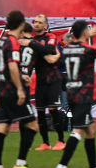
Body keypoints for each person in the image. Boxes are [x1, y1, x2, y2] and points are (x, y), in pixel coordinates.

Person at [52, 20, 96, 168]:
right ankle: (61, 166)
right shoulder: (88, 50)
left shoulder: (67, 49)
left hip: (71, 92)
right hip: (83, 94)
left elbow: (78, 41)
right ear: (84, 33)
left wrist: (87, 33)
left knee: (90, 131)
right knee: (78, 131)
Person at [0, 11, 41, 168]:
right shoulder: (13, 42)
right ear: (21, 24)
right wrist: (19, 88)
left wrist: (21, 75)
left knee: (3, 128)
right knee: (33, 126)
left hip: (2, 91)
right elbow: (11, 66)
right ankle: (20, 163)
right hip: (12, 92)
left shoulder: (1, 41)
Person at [28, 14, 67, 152]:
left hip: (53, 80)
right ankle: (45, 143)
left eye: (40, 22)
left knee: (53, 110)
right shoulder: (32, 40)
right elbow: (33, 60)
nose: (37, 24)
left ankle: (61, 141)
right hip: (40, 81)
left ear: (46, 25)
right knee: (39, 112)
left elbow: (49, 50)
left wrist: (33, 45)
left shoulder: (51, 37)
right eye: (35, 22)